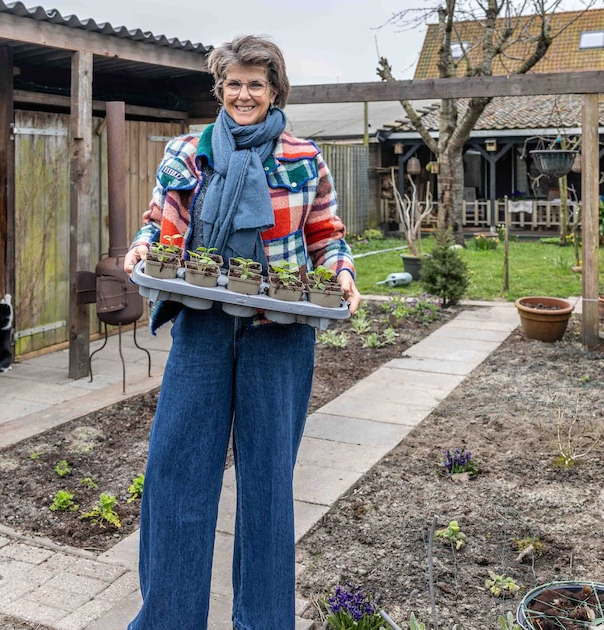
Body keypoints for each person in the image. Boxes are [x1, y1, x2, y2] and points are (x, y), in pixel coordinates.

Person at [122, 34, 361, 629]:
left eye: (256, 83)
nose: (244, 93)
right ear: (219, 88)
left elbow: (326, 235)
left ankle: (263, 622)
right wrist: (142, 250)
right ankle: (168, 620)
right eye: (233, 83)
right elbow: (163, 223)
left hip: (279, 336)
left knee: (268, 485)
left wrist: (343, 274)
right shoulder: (189, 151)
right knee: (176, 474)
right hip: (202, 331)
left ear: (275, 88)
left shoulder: (303, 157)